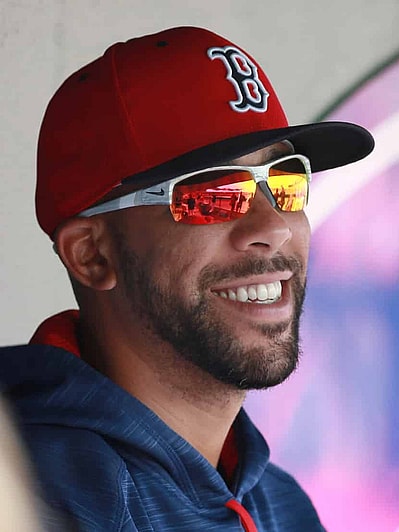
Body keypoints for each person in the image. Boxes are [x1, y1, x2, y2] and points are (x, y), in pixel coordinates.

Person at [0, 26, 373, 531]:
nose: (275, 228)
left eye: (286, 182)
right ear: (91, 255)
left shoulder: (279, 503)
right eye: (213, 195)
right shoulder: (38, 496)